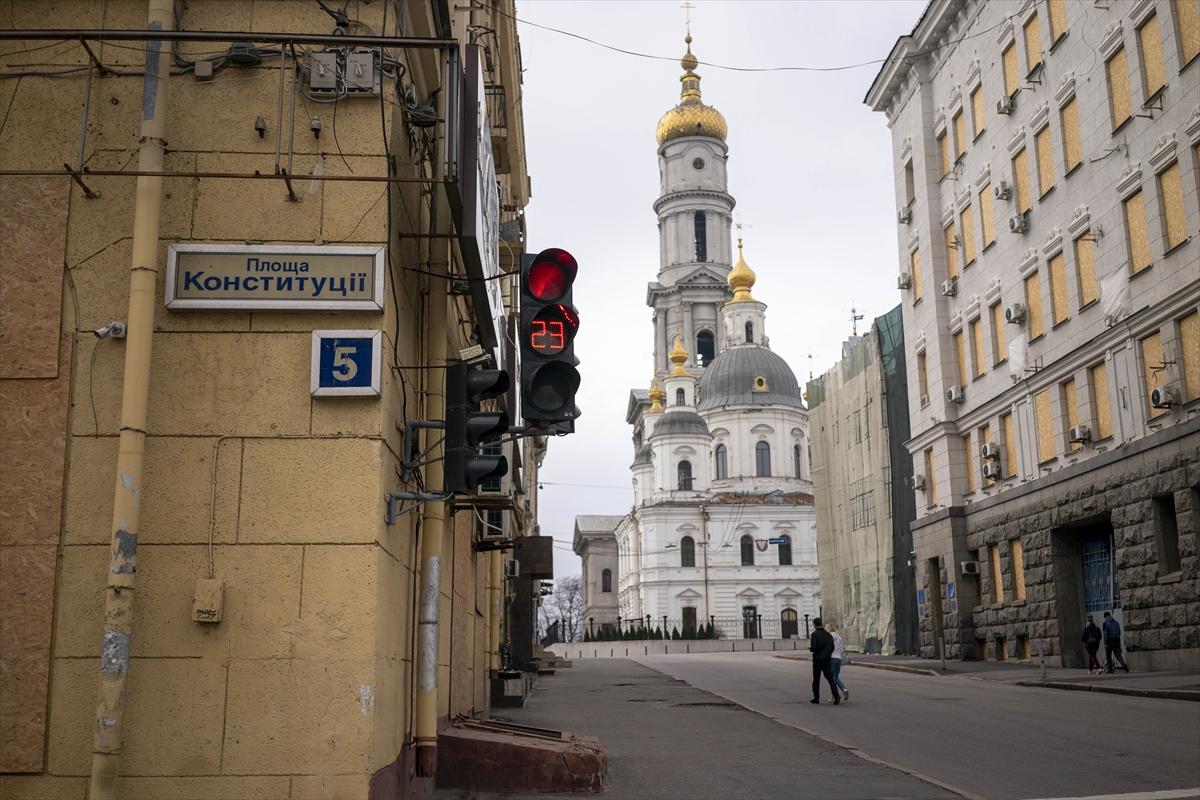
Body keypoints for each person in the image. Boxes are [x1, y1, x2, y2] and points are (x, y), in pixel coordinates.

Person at [809, 617, 841, 705]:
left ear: (815, 625)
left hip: (818, 660)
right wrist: (827, 654)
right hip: (827, 659)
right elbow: (832, 647)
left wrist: (811, 649)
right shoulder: (828, 635)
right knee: (830, 678)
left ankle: (816, 698)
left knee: (816, 679)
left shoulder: (814, 635)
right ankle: (837, 696)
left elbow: (814, 647)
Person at [827, 623, 849, 701]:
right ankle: (833, 696)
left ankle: (843, 689)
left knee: (832, 678)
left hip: (832, 659)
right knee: (835, 677)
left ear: (829, 628)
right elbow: (842, 649)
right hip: (838, 659)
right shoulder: (839, 637)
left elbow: (827, 647)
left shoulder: (829, 636)